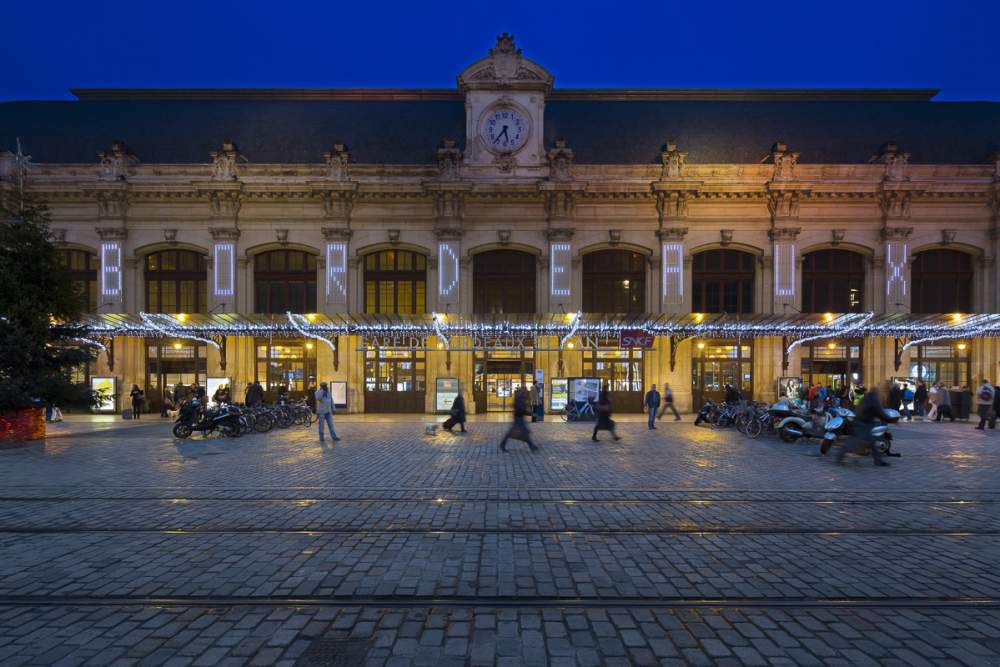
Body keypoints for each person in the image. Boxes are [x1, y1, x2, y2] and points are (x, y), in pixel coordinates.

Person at [837, 387, 890, 466]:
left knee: (871, 442)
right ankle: (839, 457)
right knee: (854, 442)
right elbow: (880, 412)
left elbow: (859, 409)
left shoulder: (865, 398)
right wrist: (890, 420)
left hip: (860, 422)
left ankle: (878, 461)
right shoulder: (873, 400)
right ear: (876, 393)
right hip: (864, 424)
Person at [500, 385, 537, 451]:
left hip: (518, 417)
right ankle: (532, 446)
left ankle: (532, 446)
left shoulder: (519, 396)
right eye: (526, 391)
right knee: (519, 433)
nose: (527, 392)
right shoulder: (520, 398)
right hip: (518, 418)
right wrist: (530, 413)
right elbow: (520, 410)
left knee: (520, 433)